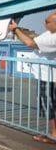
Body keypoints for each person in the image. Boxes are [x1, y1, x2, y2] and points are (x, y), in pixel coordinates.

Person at [10, 12, 56, 144]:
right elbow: (33, 39)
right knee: (50, 105)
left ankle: (54, 135)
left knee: (50, 106)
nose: (44, 24)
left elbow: (30, 43)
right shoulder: (50, 34)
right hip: (47, 76)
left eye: (47, 22)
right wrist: (18, 31)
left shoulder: (54, 37)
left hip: (50, 78)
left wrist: (16, 29)